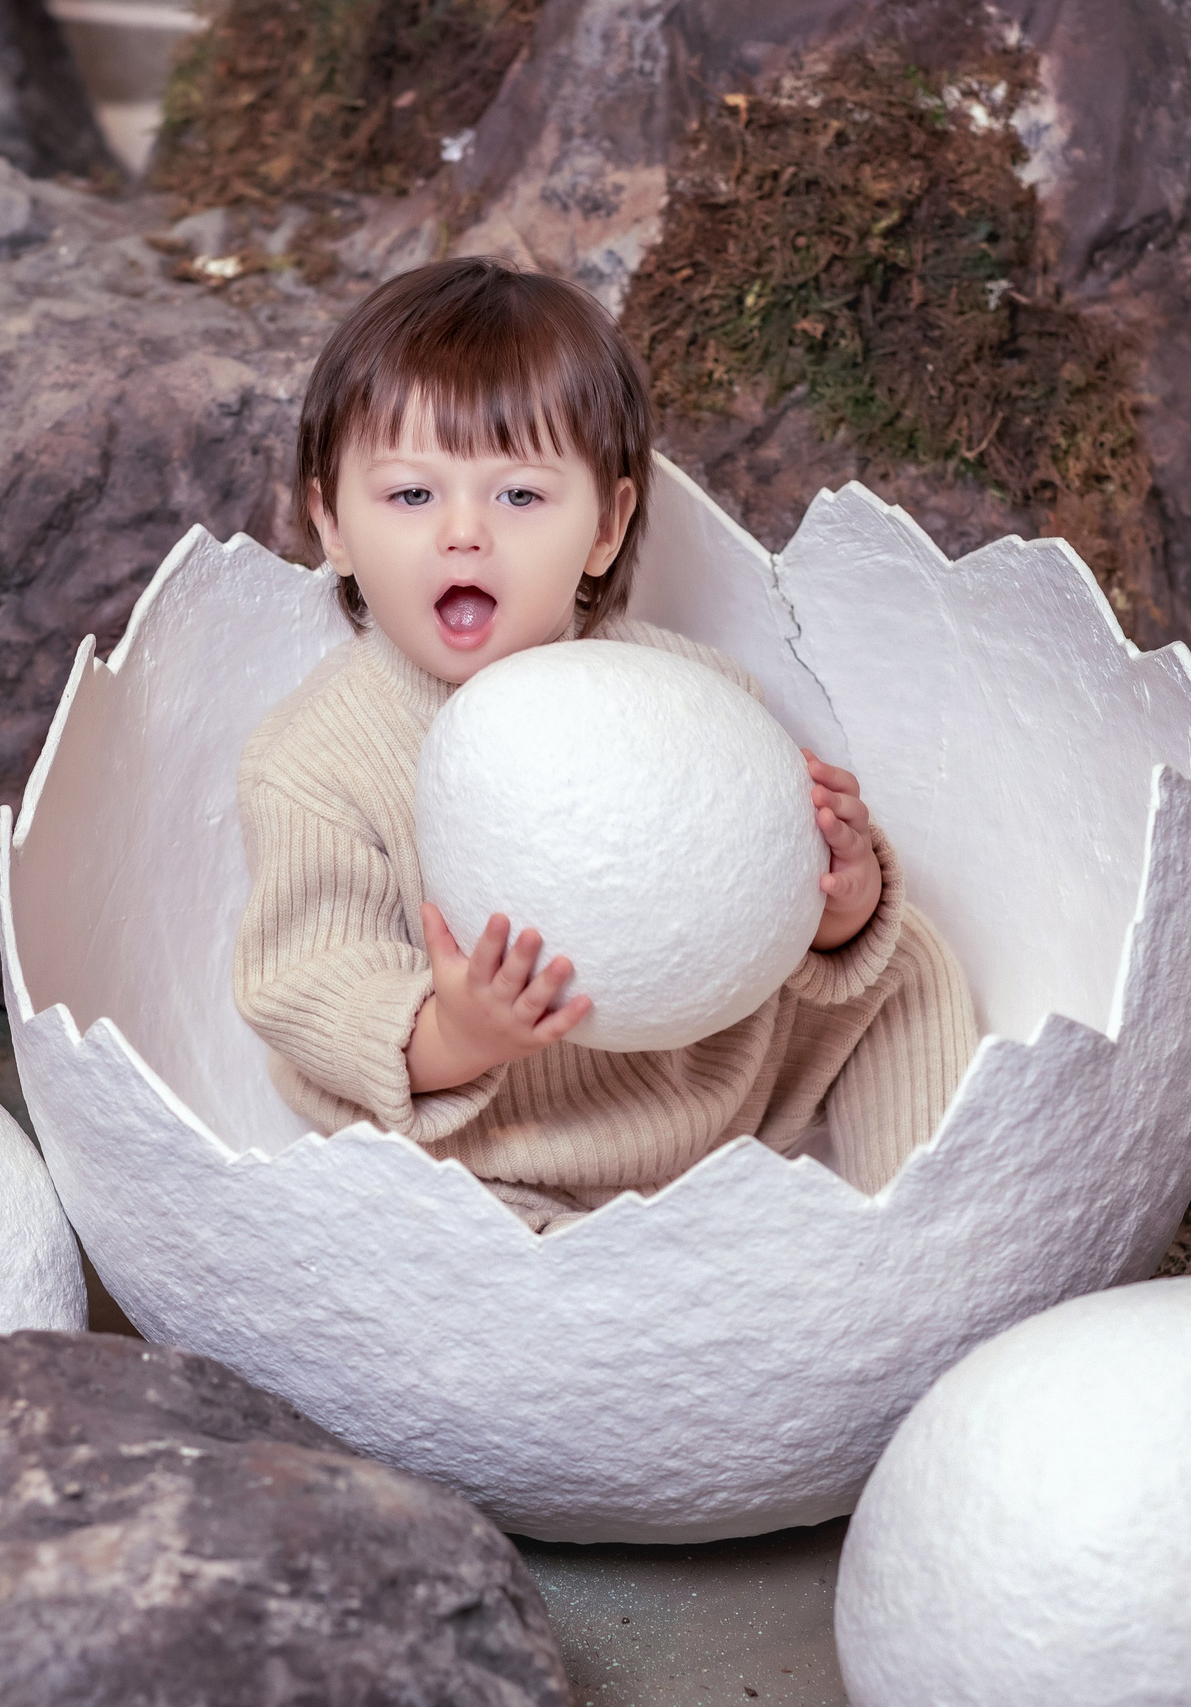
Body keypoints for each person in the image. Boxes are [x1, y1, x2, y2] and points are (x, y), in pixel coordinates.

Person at [233, 257, 979, 1231]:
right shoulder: (313, 762)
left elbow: (754, 905)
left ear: (605, 526)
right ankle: (602, 1292)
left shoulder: (684, 694)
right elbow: (309, 985)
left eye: (520, 497)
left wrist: (836, 897)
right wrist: (452, 1031)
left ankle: (920, 1219)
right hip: (504, 1149)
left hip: (713, 1088)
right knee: (429, 1230)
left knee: (908, 959)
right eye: (412, 496)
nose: (463, 534)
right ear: (332, 522)